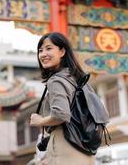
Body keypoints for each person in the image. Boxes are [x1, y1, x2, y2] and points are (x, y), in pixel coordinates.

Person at [30, 32, 95, 165]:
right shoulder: (78, 79)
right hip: (83, 146)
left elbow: (61, 115)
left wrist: (40, 121)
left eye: (49, 48)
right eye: (40, 50)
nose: (43, 54)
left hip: (65, 144)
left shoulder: (56, 81)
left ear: (62, 51)